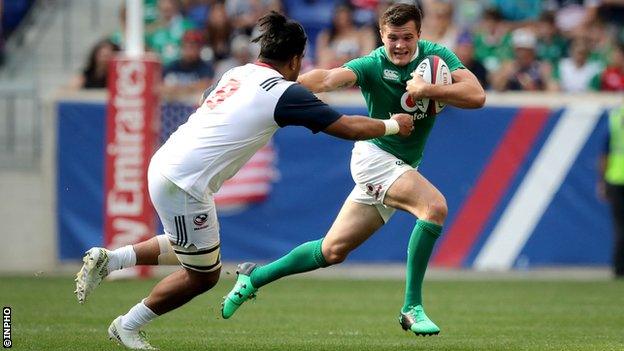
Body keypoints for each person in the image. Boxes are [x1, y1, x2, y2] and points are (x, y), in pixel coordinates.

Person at [74, 11, 413, 350]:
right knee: (204, 274)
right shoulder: (284, 93)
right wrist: (394, 125)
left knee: (190, 246)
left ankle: (111, 260)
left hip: (166, 163)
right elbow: (348, 128)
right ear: (295, 60)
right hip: (185, 182)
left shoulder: (236, 72)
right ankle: (127, 326)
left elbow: (209, 97)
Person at [221, 3, 485, 336]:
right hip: (374, 159)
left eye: (407, 37)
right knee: (433, 208)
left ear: (419, 34)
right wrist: (277, 87)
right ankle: (411, 307)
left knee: (332, 251)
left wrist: (428, 89)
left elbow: (476, 95)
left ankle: (253, 276)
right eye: (392, 38)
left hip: (401, 165)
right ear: (381, 35)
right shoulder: (373, 64)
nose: (400, 45)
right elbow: (330, 78)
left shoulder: (436, 57)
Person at [598, 103, 624, 279]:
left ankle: (619, 267)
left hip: (615, 177)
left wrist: (602, 181)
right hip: (616, 178)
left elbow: (605, 152)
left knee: (620, 226)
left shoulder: (615, 117)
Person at [160, 30, 215, 99]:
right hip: (172, 106)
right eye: (186, 46)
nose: (189, 50)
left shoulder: (206, 67)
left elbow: (205, 85)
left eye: (193, 47)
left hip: (194, 106)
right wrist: (189, 88)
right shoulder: (172, 66)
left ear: (199, 49)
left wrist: (177, 89)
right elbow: (160, 87)